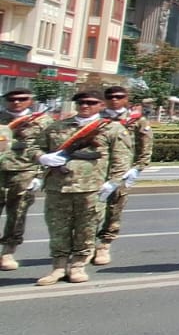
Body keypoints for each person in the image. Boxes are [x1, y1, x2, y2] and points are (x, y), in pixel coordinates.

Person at [29, 89, 131, 286]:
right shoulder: (57, 127)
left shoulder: (112, 129)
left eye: (91, 103)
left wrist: (113, 183)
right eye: (81, 103)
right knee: (58, 228)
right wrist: (42, 157)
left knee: (86, 229)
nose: (85, 106)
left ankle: (77, 266)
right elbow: (35, 147)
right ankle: (58, 267)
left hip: (91, 188)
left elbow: (122, 160)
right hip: (58, 188)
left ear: (101, 105)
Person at [92, 87, 152, 268]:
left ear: (126, 99)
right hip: (94, 170)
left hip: (122, 172)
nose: (114, 100)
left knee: (114, 208)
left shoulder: (136, 120)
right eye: (110, 97)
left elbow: (145, 145)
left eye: (119, 97)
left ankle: (104, 244)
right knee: (90, 209)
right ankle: (86, 246)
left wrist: (138, 168)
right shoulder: (96, 118)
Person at [0, 87, 51, 271]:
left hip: (25, 172)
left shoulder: (42, 121)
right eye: (12, 99)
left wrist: (40, 175)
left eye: (22, 98)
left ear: (30, 100)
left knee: (17, 214)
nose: (16, 102)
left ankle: (7, 252)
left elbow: (49, 149)